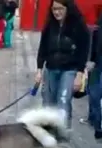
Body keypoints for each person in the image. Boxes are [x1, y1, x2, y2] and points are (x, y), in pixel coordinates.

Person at [35, 0, 89, 130]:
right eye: (54, 9)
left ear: (67, 8)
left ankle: (62, 136)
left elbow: (84, 50)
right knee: (48, 103)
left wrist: (79, 74)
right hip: (51, 68)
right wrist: (39, 69)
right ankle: (47, 134)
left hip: (70, 69)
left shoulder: (78, 25)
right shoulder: (50, 25)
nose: (57, 12)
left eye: (60, 9)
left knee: (63, 102)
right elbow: (42, 48)